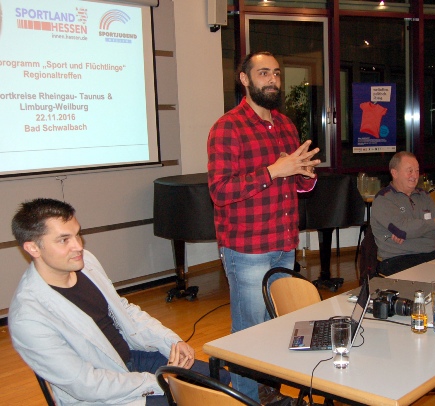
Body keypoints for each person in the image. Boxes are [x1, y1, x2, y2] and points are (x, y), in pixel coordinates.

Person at [9, 198, 229, 406]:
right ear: (33, 248)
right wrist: (159, 382)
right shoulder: (28, 318)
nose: (78, 246)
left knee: (218, 378)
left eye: (77, 234)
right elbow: (86, 384)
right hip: (101, 394)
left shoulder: (85, 262)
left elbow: (123, 310)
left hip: (130, 358)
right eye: (64, 240)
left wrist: (171, 341)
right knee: (196, 399)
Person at [207, 51, 320, 403]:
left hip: (284, 244)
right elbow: (220, 191)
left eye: (276, 73)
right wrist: (273, 171)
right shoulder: (227, 128)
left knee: (277, 324)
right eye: (263, 73)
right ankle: (246, 399)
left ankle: (268, 389)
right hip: (247, 248)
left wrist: (304, 175)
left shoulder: (286, 125)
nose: (272, 79)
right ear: (244, 79)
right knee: (249, 331)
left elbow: (295, 184)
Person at [370, 151, 435, 276]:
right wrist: (433, 224)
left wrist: (410, 233)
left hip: (431, 254)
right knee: (427, 280)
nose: (415, 175)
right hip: (398, 258)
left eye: (417, 171)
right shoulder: (383, 199)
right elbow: (403, 230)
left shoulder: (424, 196)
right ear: (394, 173)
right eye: (410, 171)